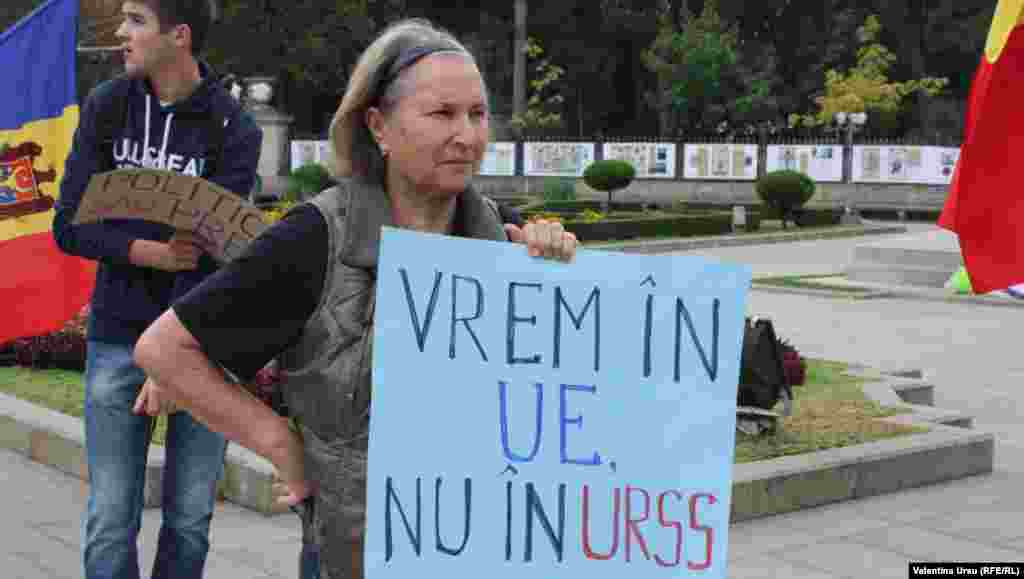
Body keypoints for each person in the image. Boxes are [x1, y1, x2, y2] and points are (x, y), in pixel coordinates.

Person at [133, 18, 576, 579]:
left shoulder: (504, 238)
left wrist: (560, 264)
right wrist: (282, 445)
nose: (466, 135)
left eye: (477, 114)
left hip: (485, 549)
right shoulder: (315, 237)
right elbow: (164, 350)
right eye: (442, 114)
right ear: (378, 127)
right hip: (354, 555)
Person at [51, 1, 262, 577]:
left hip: (201, 347)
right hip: (117, 337)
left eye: (136, 20)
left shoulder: (232, 127)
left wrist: (172, 360)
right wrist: (154, 254)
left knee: (190, 517)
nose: (121, 32)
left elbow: (221, 254)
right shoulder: (108, 106)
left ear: (179, 36)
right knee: (111, 516)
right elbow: (69, 225)